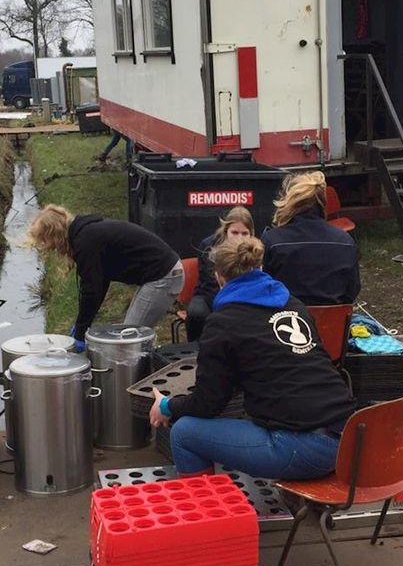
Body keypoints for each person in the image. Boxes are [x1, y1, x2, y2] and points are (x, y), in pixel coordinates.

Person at [148, 236, 356, 479]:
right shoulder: (293, 304)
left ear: (218, 278)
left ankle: (205, 512)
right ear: (261, 269)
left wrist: (167, 406)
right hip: (349, 438)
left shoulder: (223, 323)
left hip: (301, 448)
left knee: (184, 432)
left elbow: (208, 404)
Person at [29, 205, 183, 350]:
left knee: (129, 339)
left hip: (164, 276)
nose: (47, 246)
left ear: (54, 233)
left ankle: (142, 374)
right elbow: (100, 282)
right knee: (132, 336)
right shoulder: (86, 234)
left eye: (45, 240)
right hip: (160, 274)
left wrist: (81, 332)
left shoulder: (85, 241)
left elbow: (91, 290)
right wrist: (82, 325)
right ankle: (142, 367)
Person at [261, 171, 360, 305]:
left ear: (288, 202)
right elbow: (352, 290)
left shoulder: (272, 241)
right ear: (322, 203)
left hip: (284, 321)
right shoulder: (345, 241)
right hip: (332, 322)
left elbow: (263, 289)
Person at [185, 206, 255, 341]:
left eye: (244, 233)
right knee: (196, 312)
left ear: (251, 234)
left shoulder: (254, 249)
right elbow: (208, 282)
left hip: (246, 294)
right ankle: (194, 350)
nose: (239, 238)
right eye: (234, 232)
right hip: (210, 293)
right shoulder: (208, 246)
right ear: (225, 230)